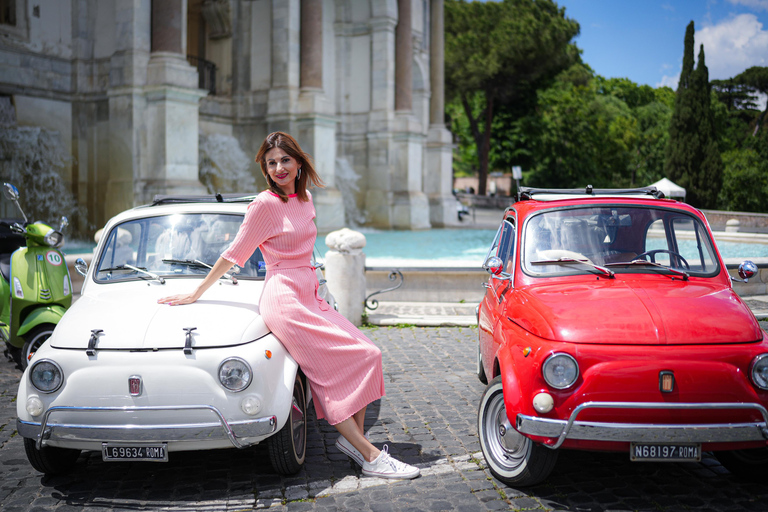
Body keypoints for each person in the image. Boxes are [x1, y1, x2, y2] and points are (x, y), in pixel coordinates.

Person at [157, 132, 419, 480]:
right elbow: (234, 253)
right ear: (265, 169)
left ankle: (355, 443)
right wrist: (196, 292)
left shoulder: (305, 198)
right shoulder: (263, 206)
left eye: (285, 160)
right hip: (284, 298)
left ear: (298, 162)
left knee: (367, 354)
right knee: (327, 374)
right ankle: (370, 456)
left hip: (309, 293)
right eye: (271, 163)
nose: (279, 168)